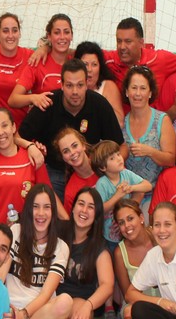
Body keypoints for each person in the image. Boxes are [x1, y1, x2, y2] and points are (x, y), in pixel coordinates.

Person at [2, 184, 96, 319]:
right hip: (9, 313)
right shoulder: (15, 232)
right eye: (36, 207)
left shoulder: (61, 247)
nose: (41, 213)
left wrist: (24, 314)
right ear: (28, 210)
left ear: (53, 212)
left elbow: (46, 294)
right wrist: (10, 312)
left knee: (65, 301)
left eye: (47, 207)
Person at [19, 59, 124, 198]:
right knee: (48, 203)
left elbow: (121, 145)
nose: (75, 91)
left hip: (90, 170)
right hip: (55, 171)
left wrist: (110, 169)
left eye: (80, 85)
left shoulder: (99, 104)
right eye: (69, 85)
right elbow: (17, 137)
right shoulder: (47, 103)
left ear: (87, 84)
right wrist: (30, 146)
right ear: (62, 85)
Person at [0, 107, 55, 227]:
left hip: (25, 231)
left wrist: (30, 146)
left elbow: (48, 196)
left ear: (13, 127)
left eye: (4, 125)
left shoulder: (33, 156)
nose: (0, 132)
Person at [60, 186, 116, 319]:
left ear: (96, 215)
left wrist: (88, 305)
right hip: (51, 301)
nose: (84, 210)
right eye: (81, 204)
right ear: (73, 208)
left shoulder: (99, 247)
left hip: (79, 304)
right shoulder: (58, 232)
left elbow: (107, 285)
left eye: (91, 207)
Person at [120, 65, 175, 193]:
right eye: (134, 88)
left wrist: (150, 151)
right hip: (127, 194)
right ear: (127, 92)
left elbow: (171, 160)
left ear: (150, 93)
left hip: (156, 194)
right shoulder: (122, 123)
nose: (138, 93)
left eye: (143, 88)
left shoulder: (162, 120)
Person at [92, 140, 152, 246]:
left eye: (118, 154)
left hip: (129, 228)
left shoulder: (126, 174)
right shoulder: (102, 183)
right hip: (111, 234)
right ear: (103, 167)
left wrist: (131, 188)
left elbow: (148, 186)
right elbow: (100, 209)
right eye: (112, 158)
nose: (119, 158)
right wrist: (117, 195)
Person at [9, 14, 73, 111]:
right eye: (57, 32)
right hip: (44, 119)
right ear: (49, 36)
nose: (62, 37)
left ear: (71, 36)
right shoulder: (37, 62)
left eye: (66, 32)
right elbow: (13, 100)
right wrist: (33, 98)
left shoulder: (78, 61)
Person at [104, 16, 176, 92]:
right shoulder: (109, 60)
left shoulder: (160, 59)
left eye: (128, 41)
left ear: (141, 42)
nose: (122, 47)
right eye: (119, 41)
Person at [112, 198, 157, 315]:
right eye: (121, 223)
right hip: (139, 307)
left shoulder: (158, 235)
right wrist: (158, 303)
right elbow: (128, 296)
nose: (127, 225)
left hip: (169, 304)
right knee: (130, 312)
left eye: (130, 218)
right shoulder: (119, 253)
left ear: (141, 218)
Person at [74, 41, 124, 124]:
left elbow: (120, 122)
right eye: (85, 64)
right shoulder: (72, 88)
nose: (89, 69)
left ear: (100, 66)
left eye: (94, 64)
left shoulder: (108, 86)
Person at [53, 127, 98, 212]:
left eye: (75, 146)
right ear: (63, 158)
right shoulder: (70, 192)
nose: (72, 153)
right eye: (66, 151)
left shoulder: (104, 163)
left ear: (83, 145)